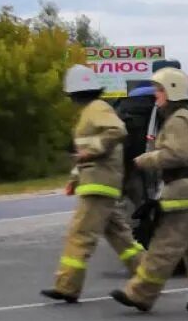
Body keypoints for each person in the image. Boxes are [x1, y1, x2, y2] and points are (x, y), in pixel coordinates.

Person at [110, 67, 188, 313]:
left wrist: (146, 159)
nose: (156, 95)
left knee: (164, 246)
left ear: (172, 90)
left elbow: (177, 154)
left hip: (181, 192)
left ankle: (140, 293)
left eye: (159, 90)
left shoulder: (178, 119)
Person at [41, 65, 145, 304]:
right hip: (100, 184)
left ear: (74, 92)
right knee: (122, 239)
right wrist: (74, 178)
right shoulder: (92, 110)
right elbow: (86, 152)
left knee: (80, 235)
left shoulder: (97, 108)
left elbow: (116, 130)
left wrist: (90, 153)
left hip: (98, 185)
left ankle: (67, 286)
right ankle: (149, 275)